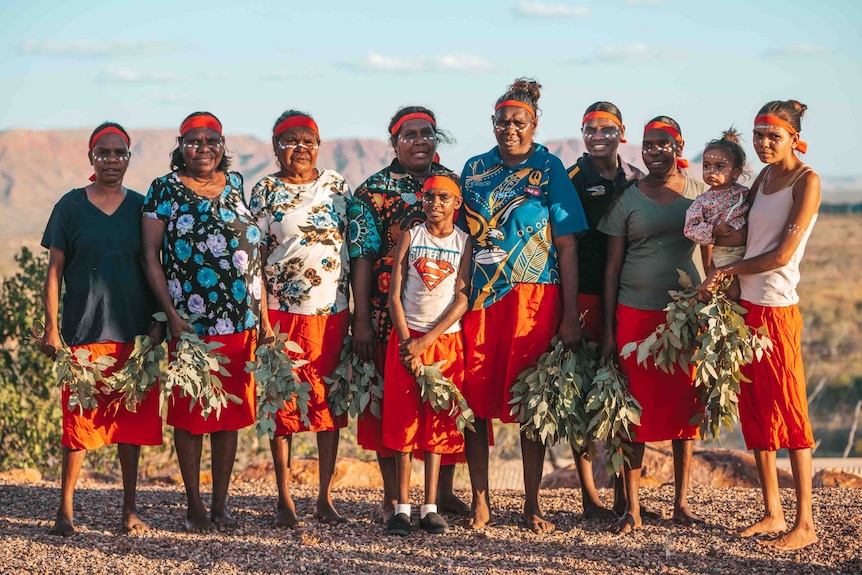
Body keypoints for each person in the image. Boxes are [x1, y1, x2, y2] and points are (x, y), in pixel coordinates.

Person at [460, 78, 589, 533]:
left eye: (519, 121)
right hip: (481, 298)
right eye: (502, 121)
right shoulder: (473, 169)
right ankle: (480, 501)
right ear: (492, 123)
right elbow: (460, 239)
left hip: (536, 297)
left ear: (534, 123)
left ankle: (532, 504)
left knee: (532, 399)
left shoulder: (551, 169)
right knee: (474, 397)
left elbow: (568, 245)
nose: (509, 128)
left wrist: (570, 315)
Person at [700, 100, 819, 551]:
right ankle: (772, 512)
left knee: (789, 409)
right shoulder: (763, 179)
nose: (765, 143)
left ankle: (804, 521)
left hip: (776, 307)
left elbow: (781, 255)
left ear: (794, 137)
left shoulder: (807, 182)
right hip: (744, 305)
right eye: (759, 136)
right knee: (755, 408)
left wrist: (725, 274)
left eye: (774, 136)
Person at [141, 111, 262, 533]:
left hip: (239, 319)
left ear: (223, 145)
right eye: (195, 141)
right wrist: (170, 314)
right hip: (189, 323)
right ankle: (194, 505)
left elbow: (252, 253)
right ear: (180, 145)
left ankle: (221, 504)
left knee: (228, 413)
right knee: (190, 413)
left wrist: (259, 314)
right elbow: (150, 257)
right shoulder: (163, 189)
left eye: (212, 141)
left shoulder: (238, 184)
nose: (204, 148)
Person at [348, 106, 469, 523]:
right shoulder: (373, 191)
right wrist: (362, 318)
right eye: (409, 134)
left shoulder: (453, 183)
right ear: (394, 140)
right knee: (392, 404)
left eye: (427, 133)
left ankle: (441, 496)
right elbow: (361, 256)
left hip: (441, 321)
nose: (420, 141)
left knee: (440, 402)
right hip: (390, 318)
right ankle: (393, 498)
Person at [40, 122, 161, 536]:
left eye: (120, 153)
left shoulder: (142, 208)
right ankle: (65, 512)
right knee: (78, 427)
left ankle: (129, 509)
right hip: (82, 333)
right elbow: (54, 272)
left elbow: (154, 268)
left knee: (130, 428)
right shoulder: (70, 207)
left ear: (129, 157)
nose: (112, 160)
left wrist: (159, 325)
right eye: (104, 153)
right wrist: (53, 330)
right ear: (91, 157)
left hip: (133, 334)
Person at [598, 116, 708, 534]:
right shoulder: (628, 199)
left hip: (683, 317)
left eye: (663, 143)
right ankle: (633, 509)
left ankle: (681, 503)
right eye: (647, 144)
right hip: (634, 314)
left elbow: (711, 260)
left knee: (685, 406)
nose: (654, 150)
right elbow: (611, 269)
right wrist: (609, 331)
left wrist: (712, 311)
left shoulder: (699, 195)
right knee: (633, 411)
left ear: (679, 146)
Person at [249, 110, 351, 528]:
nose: (301, 148)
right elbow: (251, 257)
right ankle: (285, 500)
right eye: (291, 141)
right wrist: (261, 320)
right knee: (282, 407)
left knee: (329, 405)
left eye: (308, 140)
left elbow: (354, 246)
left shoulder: (337, 186)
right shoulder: (265, 191)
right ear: (276, 148)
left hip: (333, 313)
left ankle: (325, 499)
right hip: (282, 315)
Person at [566, 101, 643, 519]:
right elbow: (566, 244)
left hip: (628, 295)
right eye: (590, 129)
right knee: (580, 390)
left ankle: (622, 496)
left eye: (607, 129)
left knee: (622, 390)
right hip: (585, 295)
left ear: (622, 132)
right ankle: (590, 496)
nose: (598, 136)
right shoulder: (572, 178)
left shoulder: (636, 179)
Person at [383, 174, 472, 536]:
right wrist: (409, 343)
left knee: (438, 420)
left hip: (443, 342)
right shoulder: (412, 236)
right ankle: (402, 508)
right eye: (429, 197)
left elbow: (462, 298)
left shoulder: (464, 242)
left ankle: (430, 506)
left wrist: (428, 341)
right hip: (406, 340)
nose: (435, 203)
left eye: (443, 198)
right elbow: (394, 295)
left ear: (456, 204)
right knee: (404, 419)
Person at [684, 128, 750, 300]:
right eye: (707, 166)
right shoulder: (702, 201)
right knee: (732, 293)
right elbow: (690, 229)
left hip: (749, 253)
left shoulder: (744, 193)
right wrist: (713, 231)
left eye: (719, 167)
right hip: (725, 255)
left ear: (736, 172)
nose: (711, 171)